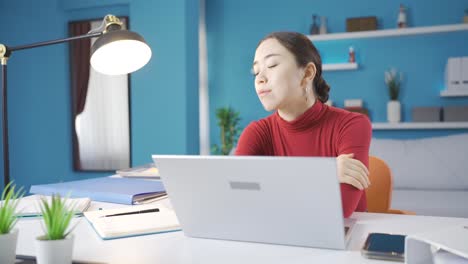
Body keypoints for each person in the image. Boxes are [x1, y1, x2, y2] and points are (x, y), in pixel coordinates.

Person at [235, 32, 371, 218]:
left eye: (272, 65)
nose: (259, 78)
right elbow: (239, 201)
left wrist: (271, 186)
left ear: (307, 73)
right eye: (256, 71)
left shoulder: (352, 125)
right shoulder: (256, 132)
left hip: (341, 241)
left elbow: (340, 209)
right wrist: (324, 174)